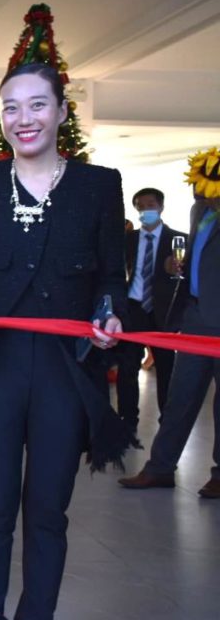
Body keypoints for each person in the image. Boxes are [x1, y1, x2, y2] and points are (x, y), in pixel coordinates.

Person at [0, 62, 132, 620]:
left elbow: (109, 276)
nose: (24, 118)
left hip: (64, 371)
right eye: (11, 108)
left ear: (62, 111)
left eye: (38, 104)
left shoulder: (98, 185)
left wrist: (108, 314)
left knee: (47, 510)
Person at [119, 193, 219, 498]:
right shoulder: (199, 210)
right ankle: (160, 468)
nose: (197, 189)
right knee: (180, 396)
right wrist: (178, 267)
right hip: (195, 315)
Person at [114, 187, 188, 431]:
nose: (146, 210)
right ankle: (127, 423)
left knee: (167, 371)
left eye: (151, 205)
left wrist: (174, 271)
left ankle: (167, 424)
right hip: (133, 309)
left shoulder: (179, 240)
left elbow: (187, 278)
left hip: (163, 313)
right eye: (141, 206)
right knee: (127, 369)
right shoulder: (127, 239)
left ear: (161, 207)